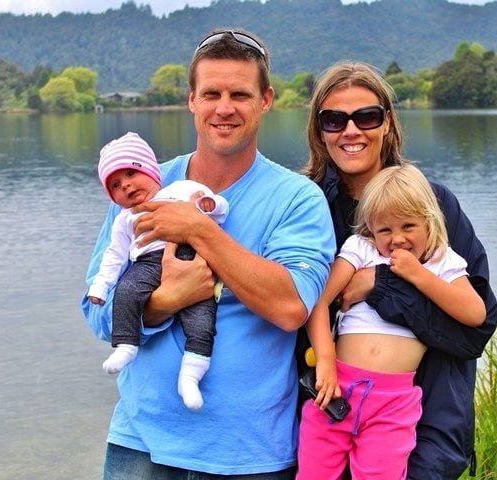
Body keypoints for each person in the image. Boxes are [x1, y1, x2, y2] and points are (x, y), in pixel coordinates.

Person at [81, 29, 335, 479]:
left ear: (266, 100)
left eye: (240, 93)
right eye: (211, 93)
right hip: (141, 442)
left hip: (247, 452)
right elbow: (98, 315)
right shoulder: (141, 186)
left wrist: (200, 229)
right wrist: (163, 303)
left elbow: (292, 307)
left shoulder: (298, 199)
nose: (224, 107)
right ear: (192, 100)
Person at [301, 61, 497, 479]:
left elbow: (474, 330)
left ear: (387, 123)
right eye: (334, 119)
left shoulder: (434, 206)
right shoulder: (305, 206)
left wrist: (380, 283)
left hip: (421, 439)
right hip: (326, 420)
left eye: (367, 116)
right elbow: (294, 311)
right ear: (319, 130)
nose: (351, 131)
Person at [296, 164, 486, 479]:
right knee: (314, 472)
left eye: (408, 226)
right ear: (370, 227)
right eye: (385, 230)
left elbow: (475, 313)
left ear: (429, 221)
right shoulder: (361, 248)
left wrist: (418, 275)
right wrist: (326, 359)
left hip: (393, 403)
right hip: (336, 389)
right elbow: (318, 300)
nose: (396, 239)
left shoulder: (442, 260)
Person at [87, 131, 229, 411]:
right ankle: (126, 346)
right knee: (127, 291)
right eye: (116, 185)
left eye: (131, 173)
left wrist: (208, 204)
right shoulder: (124, 219)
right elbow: (114, 257)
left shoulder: (182, 190)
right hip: (146, 265)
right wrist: (100, 287)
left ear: (152, 171)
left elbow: (218, 209)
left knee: (202, 322)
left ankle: (191, 375)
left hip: (190, 257)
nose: (126, 186)